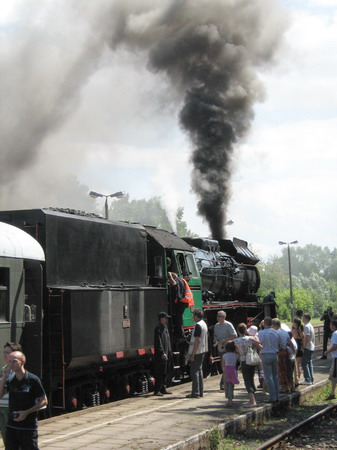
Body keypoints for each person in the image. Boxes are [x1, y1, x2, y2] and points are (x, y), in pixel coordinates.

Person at [0, 351, 47, 449]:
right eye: (9, 362)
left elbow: (44, 401)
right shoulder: (11, 380)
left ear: (23, 362)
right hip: (12, 426)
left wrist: (26, 412)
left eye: (14, 361)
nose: (11, 364)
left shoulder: (33, 379)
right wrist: (4, 378)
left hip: (28, 427)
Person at [234, 323, 261, 408]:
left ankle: (252, 401)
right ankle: (252, 398)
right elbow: (259, 345)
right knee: (251, 378)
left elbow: (237, 352)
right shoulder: (250, 339)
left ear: (238, 331)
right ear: (245, 330)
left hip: (243, 361)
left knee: (247, 381)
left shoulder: (236, 341)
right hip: (252, 361)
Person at [0, 343, 22, 446]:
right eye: (4, 352)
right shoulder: (3, 370)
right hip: (2, 408)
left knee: (15, 440)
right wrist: (4, 377)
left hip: (12, 409)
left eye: (7, 352)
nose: (4, 355)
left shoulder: (18, 372)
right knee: (6, 440)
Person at [258, 316, 281, 406]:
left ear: (264, 324)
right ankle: (277, 396)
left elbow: (260, 343)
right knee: (275, 376)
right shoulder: (276, 332)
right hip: (275, 355)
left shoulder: (261, 333)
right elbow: (280, 344)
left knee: (269, 377)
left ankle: (273, 397)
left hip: (265, 355)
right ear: (271, 323)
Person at [186, 308, 208, 398]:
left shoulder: (198, 325)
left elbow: (197, 340)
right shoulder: (203, 324)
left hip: (197, 351)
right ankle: (200, 391)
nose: (192, 317)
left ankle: (195, 392)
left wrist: (193, 354)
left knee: (194, 371)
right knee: (199, 370)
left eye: (193, 315)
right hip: (202, 350)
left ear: (196, 316)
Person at [213, 311, 237, 390]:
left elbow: (234, 335)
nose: (218, 317)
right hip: (220, 347)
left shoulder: (228, 324)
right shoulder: (216, 326)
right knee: (223, 365)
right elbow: (215, 335)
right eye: (217, 316)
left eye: (219, 316)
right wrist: (216, 340)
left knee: (227, 365)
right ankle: (226, 381)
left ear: (224, 317)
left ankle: (223, 383)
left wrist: (224, 340)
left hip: (228, 347)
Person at [153, 312, 173, 396]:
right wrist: (162, 352)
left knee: (165, 371)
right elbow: (158, 342)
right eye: (165, 318)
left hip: (167, 352)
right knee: (160, 372)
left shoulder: (165, 327)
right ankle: (157, 390)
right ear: (161, 318)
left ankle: (163, 388)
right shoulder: (158, 328)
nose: (167, 320)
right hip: (161, 354)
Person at [272, 319, 294, 394]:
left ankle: (284, 387)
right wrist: (293, 350)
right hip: (285, 352)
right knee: (288, 369)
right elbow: (290, 342)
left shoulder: (275, 333)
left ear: (274, 325)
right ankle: (291, 386)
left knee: (281, 370)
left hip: (279, 352)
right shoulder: (285, 332)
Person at [221, 341, 239, 407]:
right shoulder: (236, 355)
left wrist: (224, 370)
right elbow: (238, 359)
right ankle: (231, 400)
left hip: (226, 371)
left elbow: (223, 364)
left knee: (226, 386)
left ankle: (229, 401)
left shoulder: (224, 355)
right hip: (233, 371)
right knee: (231, 386)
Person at [300, 313, 315, 385]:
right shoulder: (310, 325)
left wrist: (304, 346)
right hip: (311, 346)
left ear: (306, 318)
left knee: (304, 363)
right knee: (309, 363)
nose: (302, 319)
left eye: (303, 317)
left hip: (307, 347)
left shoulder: (306, 326)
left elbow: (306, 337)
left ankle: (307, 379)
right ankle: (311, 378)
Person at [324, 320, 337, 400]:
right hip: (335, 357)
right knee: (333, 375)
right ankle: (332, 393)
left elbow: (335, 346)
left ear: (333, 326)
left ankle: (332, 394)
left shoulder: (335, 334)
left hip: (336, 357)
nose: (329, 326)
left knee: (334, 376)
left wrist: (327, 351)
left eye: (330, 325)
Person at [291, 318, 304, 386]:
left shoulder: (293, 331)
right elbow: (302, 340)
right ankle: (298, 378)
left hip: (295, 348)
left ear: (295, 323)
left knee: (295, 366)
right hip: (300, 348)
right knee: (299, 365)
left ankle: (296, 379)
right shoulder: (301, 331)